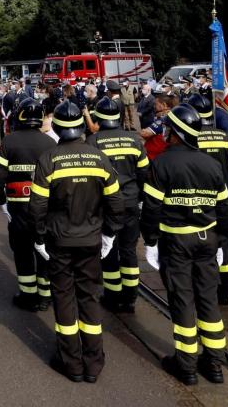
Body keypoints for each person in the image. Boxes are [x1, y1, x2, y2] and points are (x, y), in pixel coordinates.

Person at [31, 102, 123, 383]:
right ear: (82, 128)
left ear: (57, 128)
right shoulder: (100, 158)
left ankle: (70, 361)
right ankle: (94, 362)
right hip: (91, 239)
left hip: (59, 240)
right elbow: (116, 202)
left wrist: (39, 238)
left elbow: (37, 207)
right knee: (89, 296)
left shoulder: (48, 159)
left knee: (63, 297)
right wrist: (108, 233)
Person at [141, 103, 228, 386]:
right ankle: (215, 363)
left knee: (182, 300)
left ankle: (187, 365)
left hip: (176, 241)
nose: (165, 131)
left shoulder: (162, 163)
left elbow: (152, 208)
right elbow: (224, 209)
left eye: (168, 128)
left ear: (176, 133)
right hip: (208, 239)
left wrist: (150, 241)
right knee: (208, 300)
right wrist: (221, 243)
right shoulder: (212, 165)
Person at [0, 99, 56, 311]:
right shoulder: (50, 143)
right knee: (44, 248)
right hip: (45, 205)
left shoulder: (9, 142)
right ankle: (46, 295)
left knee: (22, 249)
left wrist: (2, 202)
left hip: (17, 205)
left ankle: (28, 295)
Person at [85, 97, 148, 313]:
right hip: (131, 202)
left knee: (109, 249)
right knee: (129, 249)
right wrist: (139, 199)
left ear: (98, 117)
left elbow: (90, 179)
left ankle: (112, 295)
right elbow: (144, 174)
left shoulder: (93, 142)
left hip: (106, 205)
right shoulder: (134, 141)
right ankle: (130, 296)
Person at [186, 93, 228, 304]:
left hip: (198, 200)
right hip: (223, 199)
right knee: (222, 243)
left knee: (200, 244)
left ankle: (201, 285)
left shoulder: (191, 139)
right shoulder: (224, 137)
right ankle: (224, 288)